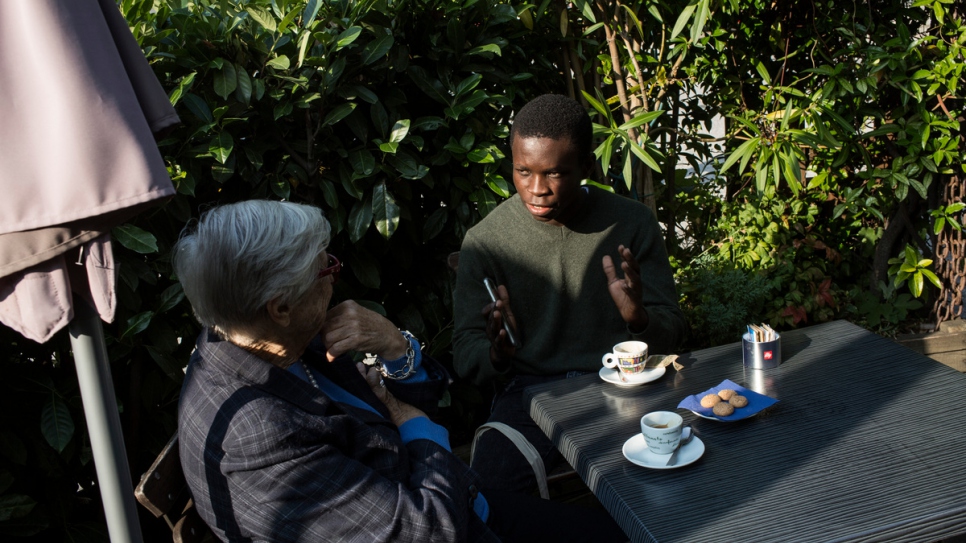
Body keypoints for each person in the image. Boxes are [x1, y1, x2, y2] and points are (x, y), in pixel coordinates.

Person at [173, 200, 627, 542]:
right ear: (282, 306)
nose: (335, 277)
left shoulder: (252, 335)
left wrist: (394, 345)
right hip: (446, 518)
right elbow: (428, 530)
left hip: (460, 498)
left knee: (623, 529)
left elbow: (421, 394)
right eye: (326, 267)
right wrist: (412, 423)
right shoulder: (260, 436)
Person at [453, 94, 688, 494]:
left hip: (623, 386)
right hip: (529, 396)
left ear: (586, 166)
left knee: (668, 477)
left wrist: (638, 318)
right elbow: (464, 351)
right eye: (522, 171)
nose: (537, 189)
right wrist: (497, 352)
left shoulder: (631, 223)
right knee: (490, 492)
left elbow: (677, 333)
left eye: (555, 174)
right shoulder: (486, 242)